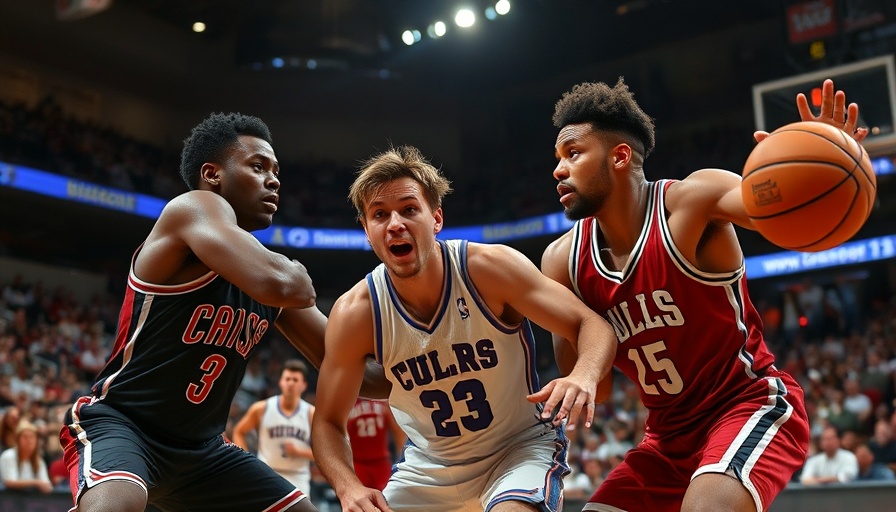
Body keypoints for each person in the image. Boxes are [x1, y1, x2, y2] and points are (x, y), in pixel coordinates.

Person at [541, 77, 868, 512]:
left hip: (747, 404)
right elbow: (596, 390)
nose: (558, 170)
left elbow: (762, 208)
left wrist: (815, 159)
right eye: (558, 157)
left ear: (620, 156)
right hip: (666, 440)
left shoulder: (693, 202)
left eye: (573, 154)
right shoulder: (562, 261)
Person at [58, 112, 387, 512]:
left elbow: (362, 376)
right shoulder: (191, 208)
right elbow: (287, 285)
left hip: (202, 452)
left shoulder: (262, 267)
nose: (274, 179)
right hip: (124, 425)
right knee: (116, 506)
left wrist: (430, 359)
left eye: (276, 170)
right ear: (212, 174)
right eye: (258, 166)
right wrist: (303, 276)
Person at [311, 145, 619, 511]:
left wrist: (583, 374)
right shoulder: (356, 313)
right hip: (429, 468)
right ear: (366, 229)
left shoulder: (489, 268)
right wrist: (348, 487)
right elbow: (328, 421)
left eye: (409, 209)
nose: (395, 223)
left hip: (517, 450)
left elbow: (591, 324)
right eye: (380, 214)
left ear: (436, 218)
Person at [233, 359, 316, 496]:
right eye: (287, 379)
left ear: (304, 385)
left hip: (298, 477)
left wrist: (299, 452)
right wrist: (246, 460)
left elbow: (322, 453)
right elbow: (239, 431)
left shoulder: (311, 414)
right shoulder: (261, 408)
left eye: (295, 380)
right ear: (281, 382)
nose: (290, 383)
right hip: (267, 475)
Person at [347, 397, 407, 491]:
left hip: (378, 461)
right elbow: (397, 430)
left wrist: (402, 457)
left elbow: (396, 429)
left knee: (386, 500)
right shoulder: (348, 401)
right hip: (359, 462)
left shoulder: (382, 400)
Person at [0, 419, 53, 494]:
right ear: (18, 440)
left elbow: (46, 485)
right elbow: (10, 482)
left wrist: (43, 485)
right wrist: (36, 483)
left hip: (30, 503)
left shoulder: (38, 460)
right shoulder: (8, 456)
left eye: (32, 437)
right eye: (25, 437)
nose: (29, 440)